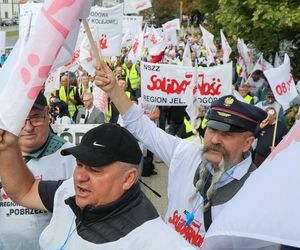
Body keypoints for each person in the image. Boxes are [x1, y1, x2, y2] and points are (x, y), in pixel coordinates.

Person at [94, 60, 267, 248]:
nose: (215, 139)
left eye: (227, 134)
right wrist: (114, 91)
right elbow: (142, 127)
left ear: (247, 143)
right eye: (212, 129)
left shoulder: (255, 193)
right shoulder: (187, 153)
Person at [0, 124, 193, 250]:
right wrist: (7, 148)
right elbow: (24, 191)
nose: (80, 177)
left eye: (95, 169)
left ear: (128, 178)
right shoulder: (69, 190)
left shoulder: (156, 242)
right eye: (79, 164)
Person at [0, 92, 76, 250]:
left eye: (35, 118)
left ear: (47, 114)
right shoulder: (2, 151)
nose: (28, 127)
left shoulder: (71, 157)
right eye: (21, 119)